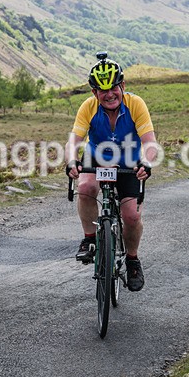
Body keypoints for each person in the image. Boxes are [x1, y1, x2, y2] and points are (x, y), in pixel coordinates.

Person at [65, 55, 157, 292]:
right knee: (85, 187)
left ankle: (132, 260)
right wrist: (72, 160)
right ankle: (89, 239)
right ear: (94, 92)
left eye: (113, 87)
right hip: (97, 157)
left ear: (122, 86)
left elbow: (150, 142)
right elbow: (74, 140)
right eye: (102, 90)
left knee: (132, 217)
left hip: (129, 160)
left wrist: (146, 162)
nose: (109, 94)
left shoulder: (136, 104)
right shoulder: (88, 107)